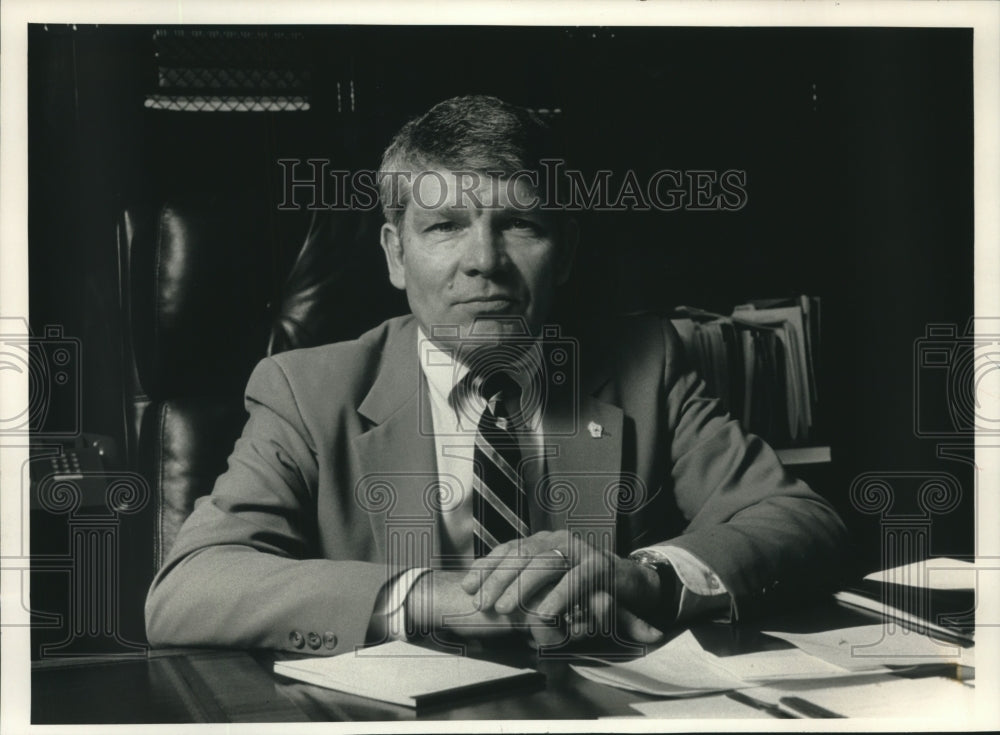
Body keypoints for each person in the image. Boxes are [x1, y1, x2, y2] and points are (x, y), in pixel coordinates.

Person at [144, 95, 848, 656]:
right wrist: (430, 597)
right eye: (445, 225)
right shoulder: (305, 389)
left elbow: (802, 521)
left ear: (564, 251)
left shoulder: (647, 362)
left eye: (519, 224)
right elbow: (188, 586)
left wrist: (648, 577)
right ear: (395, 255)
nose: (485, 260)